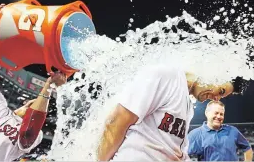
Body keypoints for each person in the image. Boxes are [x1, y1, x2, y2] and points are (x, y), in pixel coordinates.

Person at [0, 4, 67, 161]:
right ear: (24, 104)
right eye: (32, 104)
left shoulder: (34, 136)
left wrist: (49, 85)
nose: (32, 106)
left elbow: (28, 132)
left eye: (36, 107)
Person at [97, 64, 239, 161]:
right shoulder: (166, 75)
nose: (216, 98)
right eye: (220, 91)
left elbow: (174, 153)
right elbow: (116, 122)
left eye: (221, 97)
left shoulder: (187, 105)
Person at [188, 101, 253, 161]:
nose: (219, 116)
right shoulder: (195, 134)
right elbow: (181, 153)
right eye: (216, 113)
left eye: (221, 114)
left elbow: (247, 148)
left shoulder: (233, 131)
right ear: (206, 113)